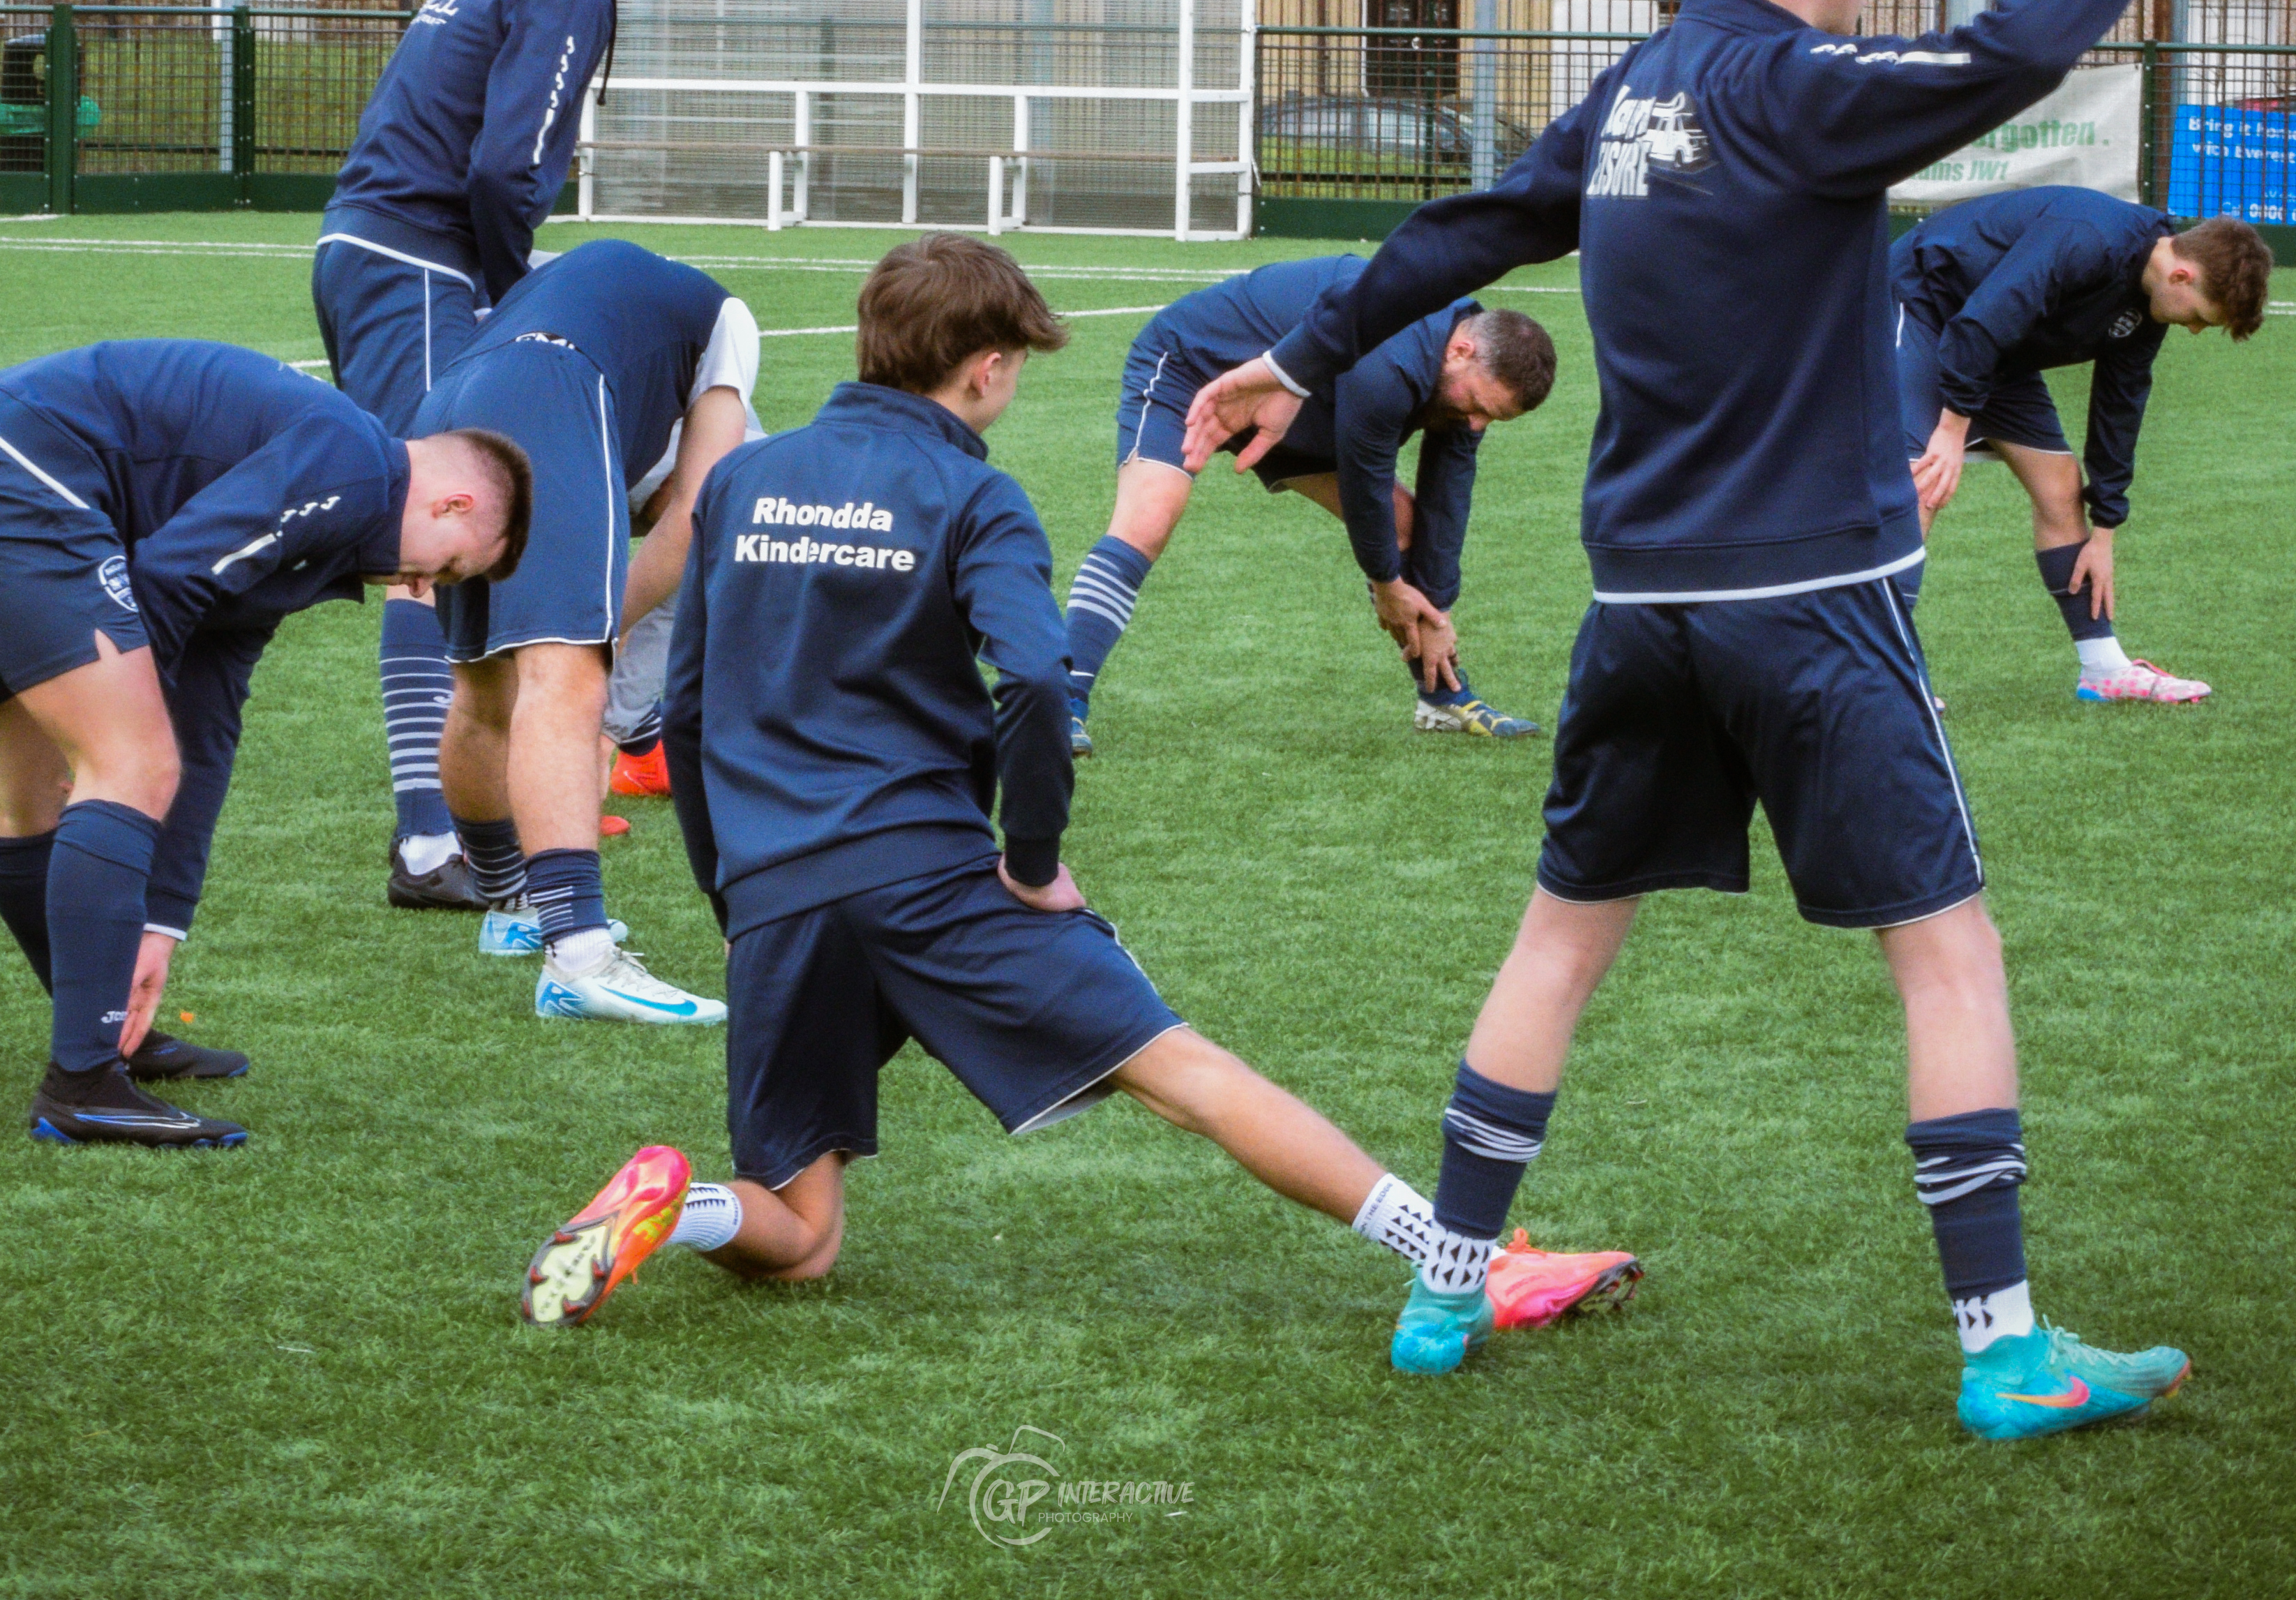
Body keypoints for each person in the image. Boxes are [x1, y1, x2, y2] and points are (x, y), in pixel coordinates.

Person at [1185, 0, 2255, 1437]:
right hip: (1808, 603)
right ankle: (2005, 1349)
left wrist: (1305, 351)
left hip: (1637, 604)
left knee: (1556, 938)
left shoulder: (1631, 94)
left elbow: (1462, 231)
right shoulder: (1795, 88)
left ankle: (1446, 1281)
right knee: (1944, 948)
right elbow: (2010, 50)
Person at [515, 235, 1604, 1331]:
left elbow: (689, 707)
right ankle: (1457, 1254)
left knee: (797, 1235)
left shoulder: (742, 479)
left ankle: (678, 1201)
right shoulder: (973, 495)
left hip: (773, 892)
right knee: (1185, 1072)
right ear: (986, 367)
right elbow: (1035, 675)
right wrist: (1030, 864)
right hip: (928, 877)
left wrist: (733, 893)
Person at [0, 340, 529, 1146]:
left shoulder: (312, 523)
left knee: (28, 791)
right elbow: (163, 583)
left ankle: (102, 1035)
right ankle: (83, 1081)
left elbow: (209, 715)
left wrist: (161, 921)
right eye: (453, 569)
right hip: (17, 475)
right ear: (454, 505)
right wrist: (128, 735)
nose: (424, 586)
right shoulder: (356, 464)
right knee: (129, 760)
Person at [312, 0, 696, 913]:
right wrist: (514, 282)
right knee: (435, 525)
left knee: (440, 522)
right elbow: (505, 163)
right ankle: (433, 841)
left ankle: (474, 809)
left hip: (372, 248)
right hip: (419, 262)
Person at [411, 239, 758, 1024]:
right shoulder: (728, 322)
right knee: (565, 679)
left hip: (449, 398)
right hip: (547, 389)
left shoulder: (620, 296)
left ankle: (510, 904)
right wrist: (610, 622)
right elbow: (692, 514)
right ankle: (581, 955)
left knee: (482, 683)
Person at [1062, 258, 1558, 754]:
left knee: (1405, 526)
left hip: (1304, 406)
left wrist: (1439, 606)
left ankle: (1442, 698)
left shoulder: (1464, 377)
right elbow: (1365, 482)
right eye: (1475, 405)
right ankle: (1060, 703)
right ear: (1461, 350)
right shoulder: (1393, 358)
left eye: (1490, 417)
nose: (1475, 425)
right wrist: (1387, 585)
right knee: (1147, 521)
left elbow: (1447, 500)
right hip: (1193, 369)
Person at [1891, 188, 2271, 703]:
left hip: (1996, 343)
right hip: (1922, 304)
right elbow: (1985, 318)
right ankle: (1883, 674)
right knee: (1923, 480)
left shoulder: (2151, 300)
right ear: (2183, 276)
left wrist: (2105, 529)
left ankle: (2101, 667)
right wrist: (1952, 428)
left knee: (2060, 485)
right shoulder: (2088, 238)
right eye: (2202, 315)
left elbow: (2120, 406)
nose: (2197, 329)